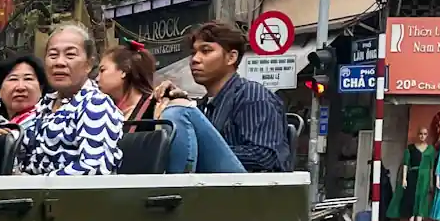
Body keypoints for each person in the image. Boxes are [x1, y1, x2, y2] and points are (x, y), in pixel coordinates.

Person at [97, 42, 246, 175]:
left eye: (102, 70)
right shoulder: (108, 112)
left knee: (176, 112)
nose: (97, 78)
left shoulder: (162, 104)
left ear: (124, 71)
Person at [15, 24, 122, 176]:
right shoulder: (45, 104)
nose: (59, 62)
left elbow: (94, 169)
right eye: (53, 55)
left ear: (89, 64)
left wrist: (35, 183)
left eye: (70, 55)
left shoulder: (95, 104)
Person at [186, 21, 292, 172]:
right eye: (193, 52)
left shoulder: (253, 96)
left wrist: (199, 153)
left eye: (206, 50)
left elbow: (263, 156)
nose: (195, 59)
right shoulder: (203, 105)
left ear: (231, 57)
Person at [0, 53, 45, 128]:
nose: (20, 87)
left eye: (28, 79)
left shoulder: (50, 125)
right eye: (13, 79)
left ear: (41, 89)